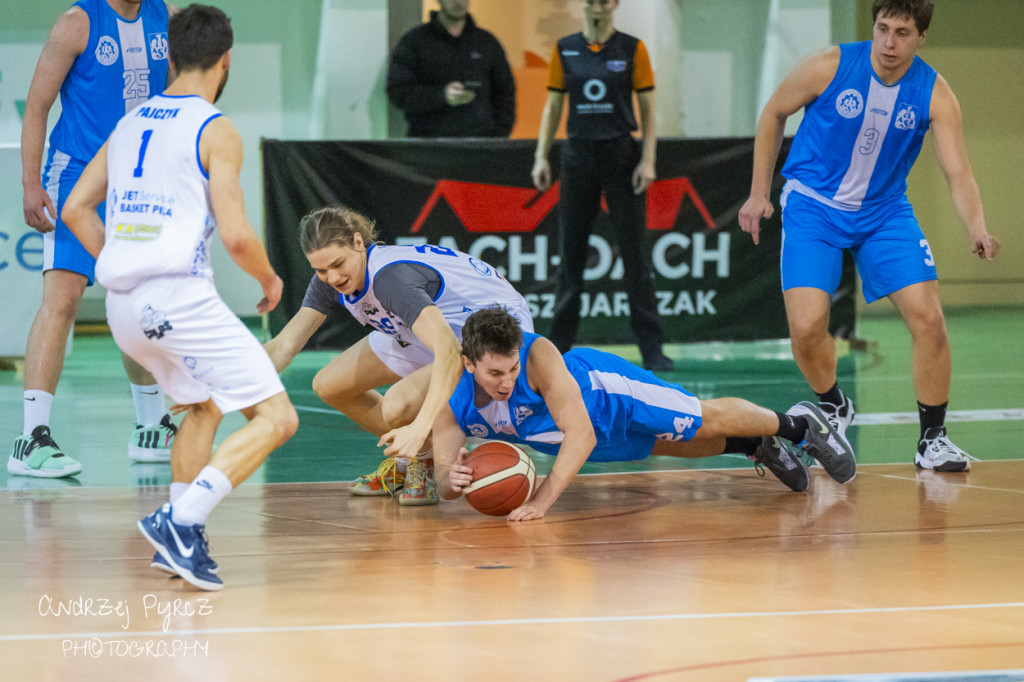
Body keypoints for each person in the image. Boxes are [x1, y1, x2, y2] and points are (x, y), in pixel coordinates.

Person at [62, 4, 298, 590]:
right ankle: (181, 520)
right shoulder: (216, 128)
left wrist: (121, 266)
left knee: (201, 408)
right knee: (277, 417)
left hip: (123, 306)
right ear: (226, 59)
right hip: (178, 298)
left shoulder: (133, 120)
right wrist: (270, 280)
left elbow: (74, 208)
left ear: (168, 55)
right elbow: (238, 233)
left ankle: (178, 544)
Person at [738, 0, 1000, 473]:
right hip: (813, 205)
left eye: (902, 33)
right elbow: (773, 113)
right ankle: (833, 404)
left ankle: (932, 440)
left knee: (928, 317)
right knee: (806, 326)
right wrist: (759, 194)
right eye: (882, 29)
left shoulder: (934, 92)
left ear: (921, 37)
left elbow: (958, 173)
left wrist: (976, 227)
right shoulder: (829, 66)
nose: (889, 43)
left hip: (884, 213)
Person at [436, 307, 857, 521]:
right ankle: (755, 443)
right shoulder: (450, 400)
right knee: (664, 446)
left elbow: (579, 434)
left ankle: (801, 425)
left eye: (512, 369)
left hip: (606, 391)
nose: (507, 381)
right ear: (469, 364)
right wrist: (453, 482)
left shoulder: (539, 355)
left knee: (700, 419)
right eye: (495, 373)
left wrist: (542, 502)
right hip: (563, 429)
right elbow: (444, 480)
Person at [263, 205, 534, 506]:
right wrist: (223, 381)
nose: (332, 277)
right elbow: (284, 345)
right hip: (429, 328)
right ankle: (420, 458)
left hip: (490, 334)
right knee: (328, 384)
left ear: (357, 242)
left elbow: (448, 349)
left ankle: (423, 461)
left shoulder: (390, 279)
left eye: (337, 264)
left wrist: (419, 428)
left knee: (396, 406)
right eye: (320, 270)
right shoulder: (331, 279)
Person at [11, 0, 179, 478]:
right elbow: (38, 105)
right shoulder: (77, 23)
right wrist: (30, 183)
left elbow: (175, 97)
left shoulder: (161, 16)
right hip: (78, 179)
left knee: (137, 302)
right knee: (61, 300)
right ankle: (31, 439)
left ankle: (152, 426)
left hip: (137, 184)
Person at [530, 0, 670, 372]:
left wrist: (649, 159)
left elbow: (649, 108)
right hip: (577, 156)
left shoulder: (632, 48)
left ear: (615, 5)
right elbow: (553, 106)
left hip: (621, 155)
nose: (597, 7)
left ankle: (651, 346)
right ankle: (558, 346)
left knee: (635, 254)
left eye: (604, 0)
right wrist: (541, 156)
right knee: (570, 256)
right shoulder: (565, 48)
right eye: (591, 1)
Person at [387, 0, 515, 138]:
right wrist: (442, 95)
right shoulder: (415, 41)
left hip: (480, 145)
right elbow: (398, 91)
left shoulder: (487, 43)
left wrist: (499, 136)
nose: (458, 2)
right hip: (429, 146)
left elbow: (505, 91)